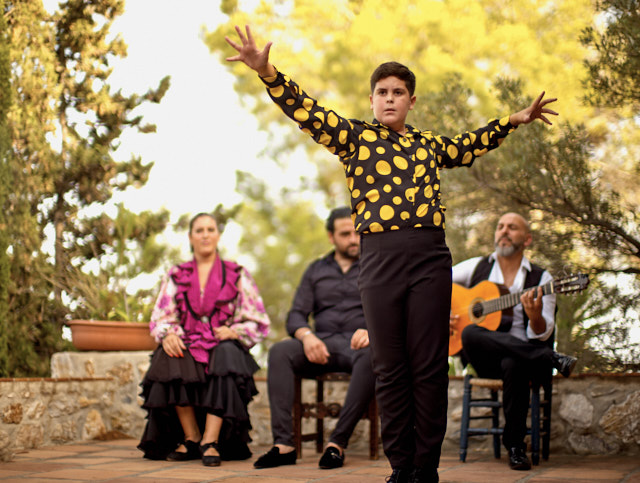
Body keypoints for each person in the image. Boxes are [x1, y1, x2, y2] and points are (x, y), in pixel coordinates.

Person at [225, 25, 558, 483]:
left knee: (429, 365)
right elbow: (308, 110)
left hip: (428, 257)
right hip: (379, 260)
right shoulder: (353, 138)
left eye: (398, 92)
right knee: (389, 365)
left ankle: (426, 467)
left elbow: (467, 145)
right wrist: (267, 72)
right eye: (381, 92)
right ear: (371, 100)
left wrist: (512, 121)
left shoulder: (428, 146)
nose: (389, 99)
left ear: (411, 101)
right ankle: (401, 467)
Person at [137, 212, 270, 467]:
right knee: (170, 352)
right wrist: (168, 334)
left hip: (223, 342)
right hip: (190, 341)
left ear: (218, 235)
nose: (206, 234)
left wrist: (236, 331)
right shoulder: (176, 274)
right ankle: (191, 436)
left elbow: (258, 319)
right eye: (199, 230)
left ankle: (211, 440)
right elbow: (161, 316)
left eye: (211, 229)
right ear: (190, 237)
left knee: (226, 353)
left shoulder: (238, 273)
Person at [451, 212, 577, 471]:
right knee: (470, 333)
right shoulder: (476, 267)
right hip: (486, 359)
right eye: (500, 226)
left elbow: (542, 333)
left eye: (513, 227)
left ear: (527, 239)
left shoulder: (543, 280)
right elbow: (434, 282)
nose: (504, 231)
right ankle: (551, 358)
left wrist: (534, 317)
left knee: (513, 362)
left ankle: (516, 447)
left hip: (522, 362)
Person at [253, 206, 376, 470]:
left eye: (356, 232)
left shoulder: (375, 265)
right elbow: (295, 315)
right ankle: (284, 445)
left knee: (373, 354)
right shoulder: (316, 270)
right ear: (331, 237)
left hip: (358, 347)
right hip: (321, 345)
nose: (353, 239)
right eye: (345, 234)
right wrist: (307, 337)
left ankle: (336, 445)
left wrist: (373, 330)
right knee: (279, 352)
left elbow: (392, 308)